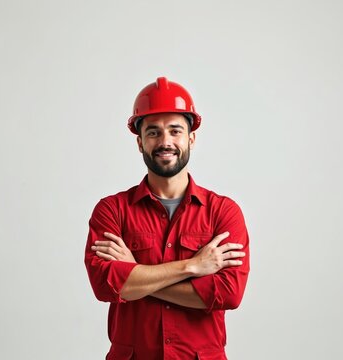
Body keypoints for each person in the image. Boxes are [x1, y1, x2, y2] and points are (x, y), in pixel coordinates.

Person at [84, 76, 250, 360]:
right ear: (140, 142)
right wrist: (193, 266)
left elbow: (228, 293)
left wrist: (137, 274)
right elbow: (107, 286)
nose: (165, 142)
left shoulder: (222, 212)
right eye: (153, 132)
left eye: (175, 131)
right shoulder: (112, 210)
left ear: (191, 138)